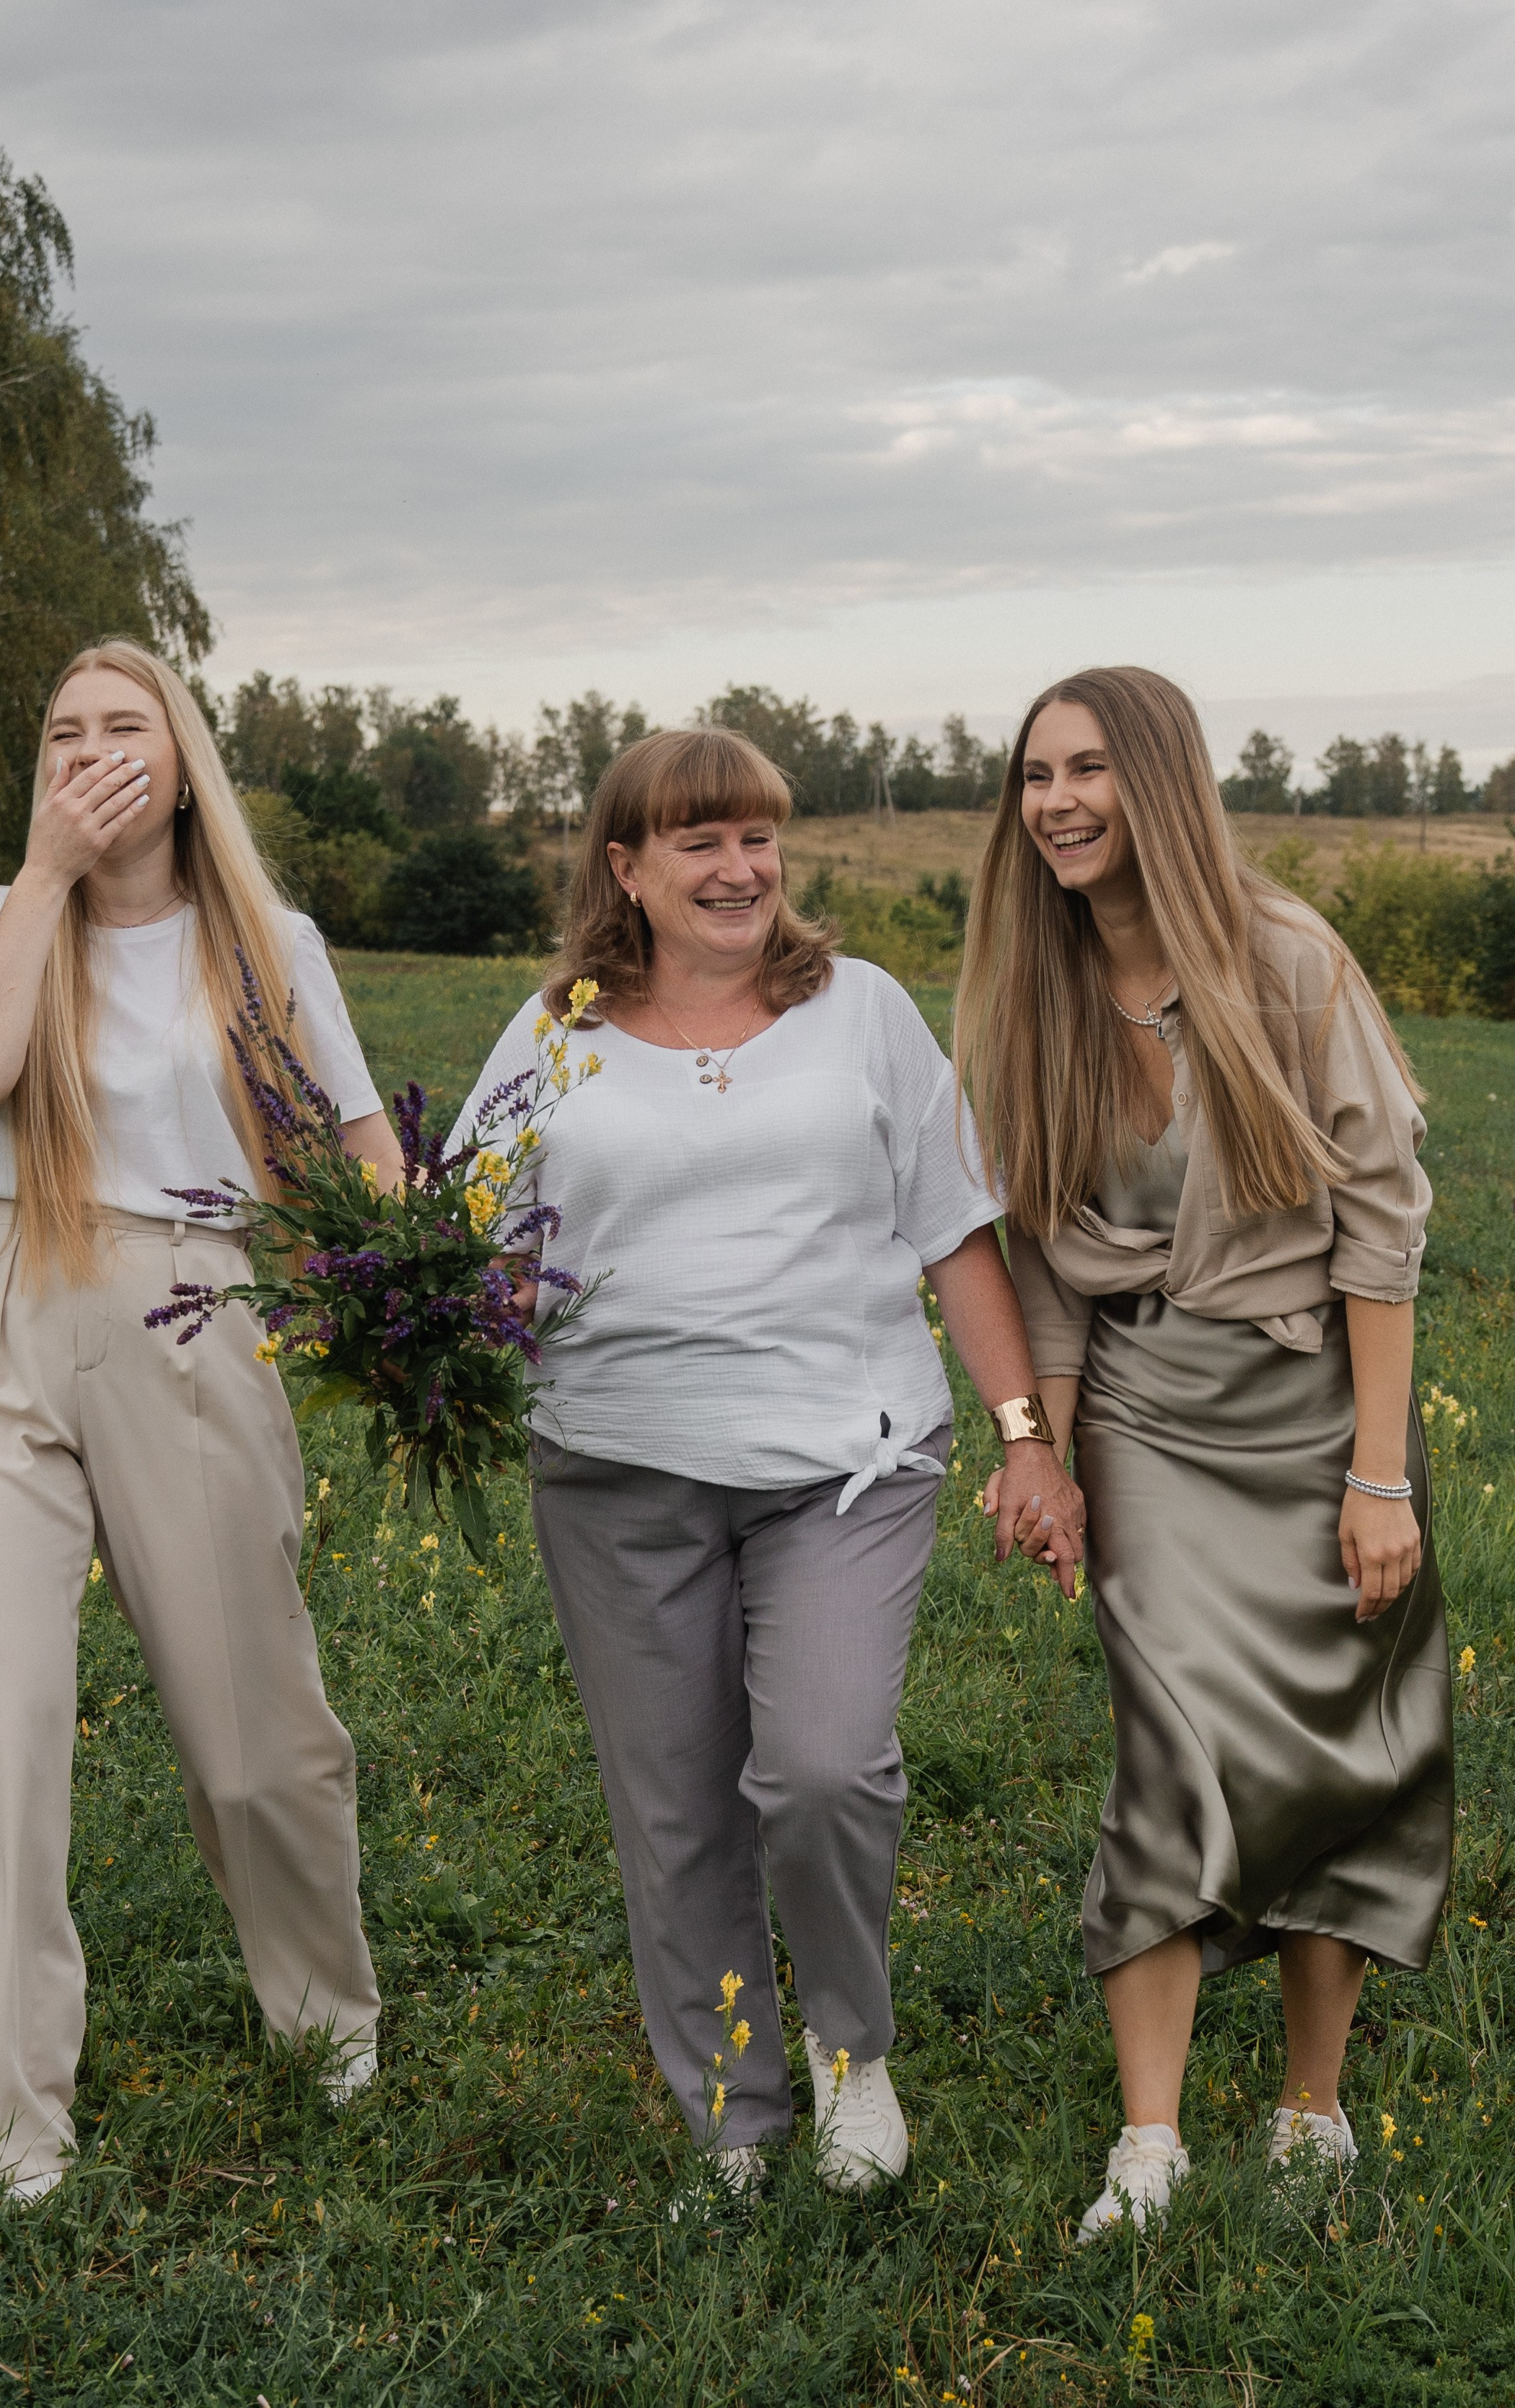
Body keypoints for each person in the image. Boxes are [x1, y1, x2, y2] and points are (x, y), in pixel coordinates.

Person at [450, 726, 1084, 2198]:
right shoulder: (554, 1028)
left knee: (820, 1767)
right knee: (675, 1807)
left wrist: (1024, 1438)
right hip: (617, 1468)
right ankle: (733, 2111)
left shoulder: (859, 1009)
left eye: (757, 837)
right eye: (700, 842)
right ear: (626, 867)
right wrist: (451, 1324)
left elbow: (953, 1230)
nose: (739, 868)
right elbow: (471, 1238)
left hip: (841, 1461)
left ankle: (851, 2046)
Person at [957, 666, 1450, 2239]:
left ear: (1159, 783)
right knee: (1167, 1752)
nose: (1056, 803)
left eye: (1088, 769)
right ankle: (1149, 2139)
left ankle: (1311, 2106)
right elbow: (1041, 1258)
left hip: (1316, 1412)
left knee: (1334, 1752)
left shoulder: (1285, 957)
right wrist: (1044, 1453)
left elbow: (1381, 1222)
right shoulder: (1027, 988)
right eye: (1035, 775)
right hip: (1148, 1416)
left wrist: (1379, 1474)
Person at [0, 638, 398, 2202]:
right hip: (2, 1309)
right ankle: (23, 2128)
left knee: (252, 1736)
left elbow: (360, 1146)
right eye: (64, 731)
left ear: (183, 760)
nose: (91, 749)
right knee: (7, 1735)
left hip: (191, 1305)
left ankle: (326, 2020)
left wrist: (416, 1300)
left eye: (125, 724)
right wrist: (47, 872)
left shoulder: (264, 940)